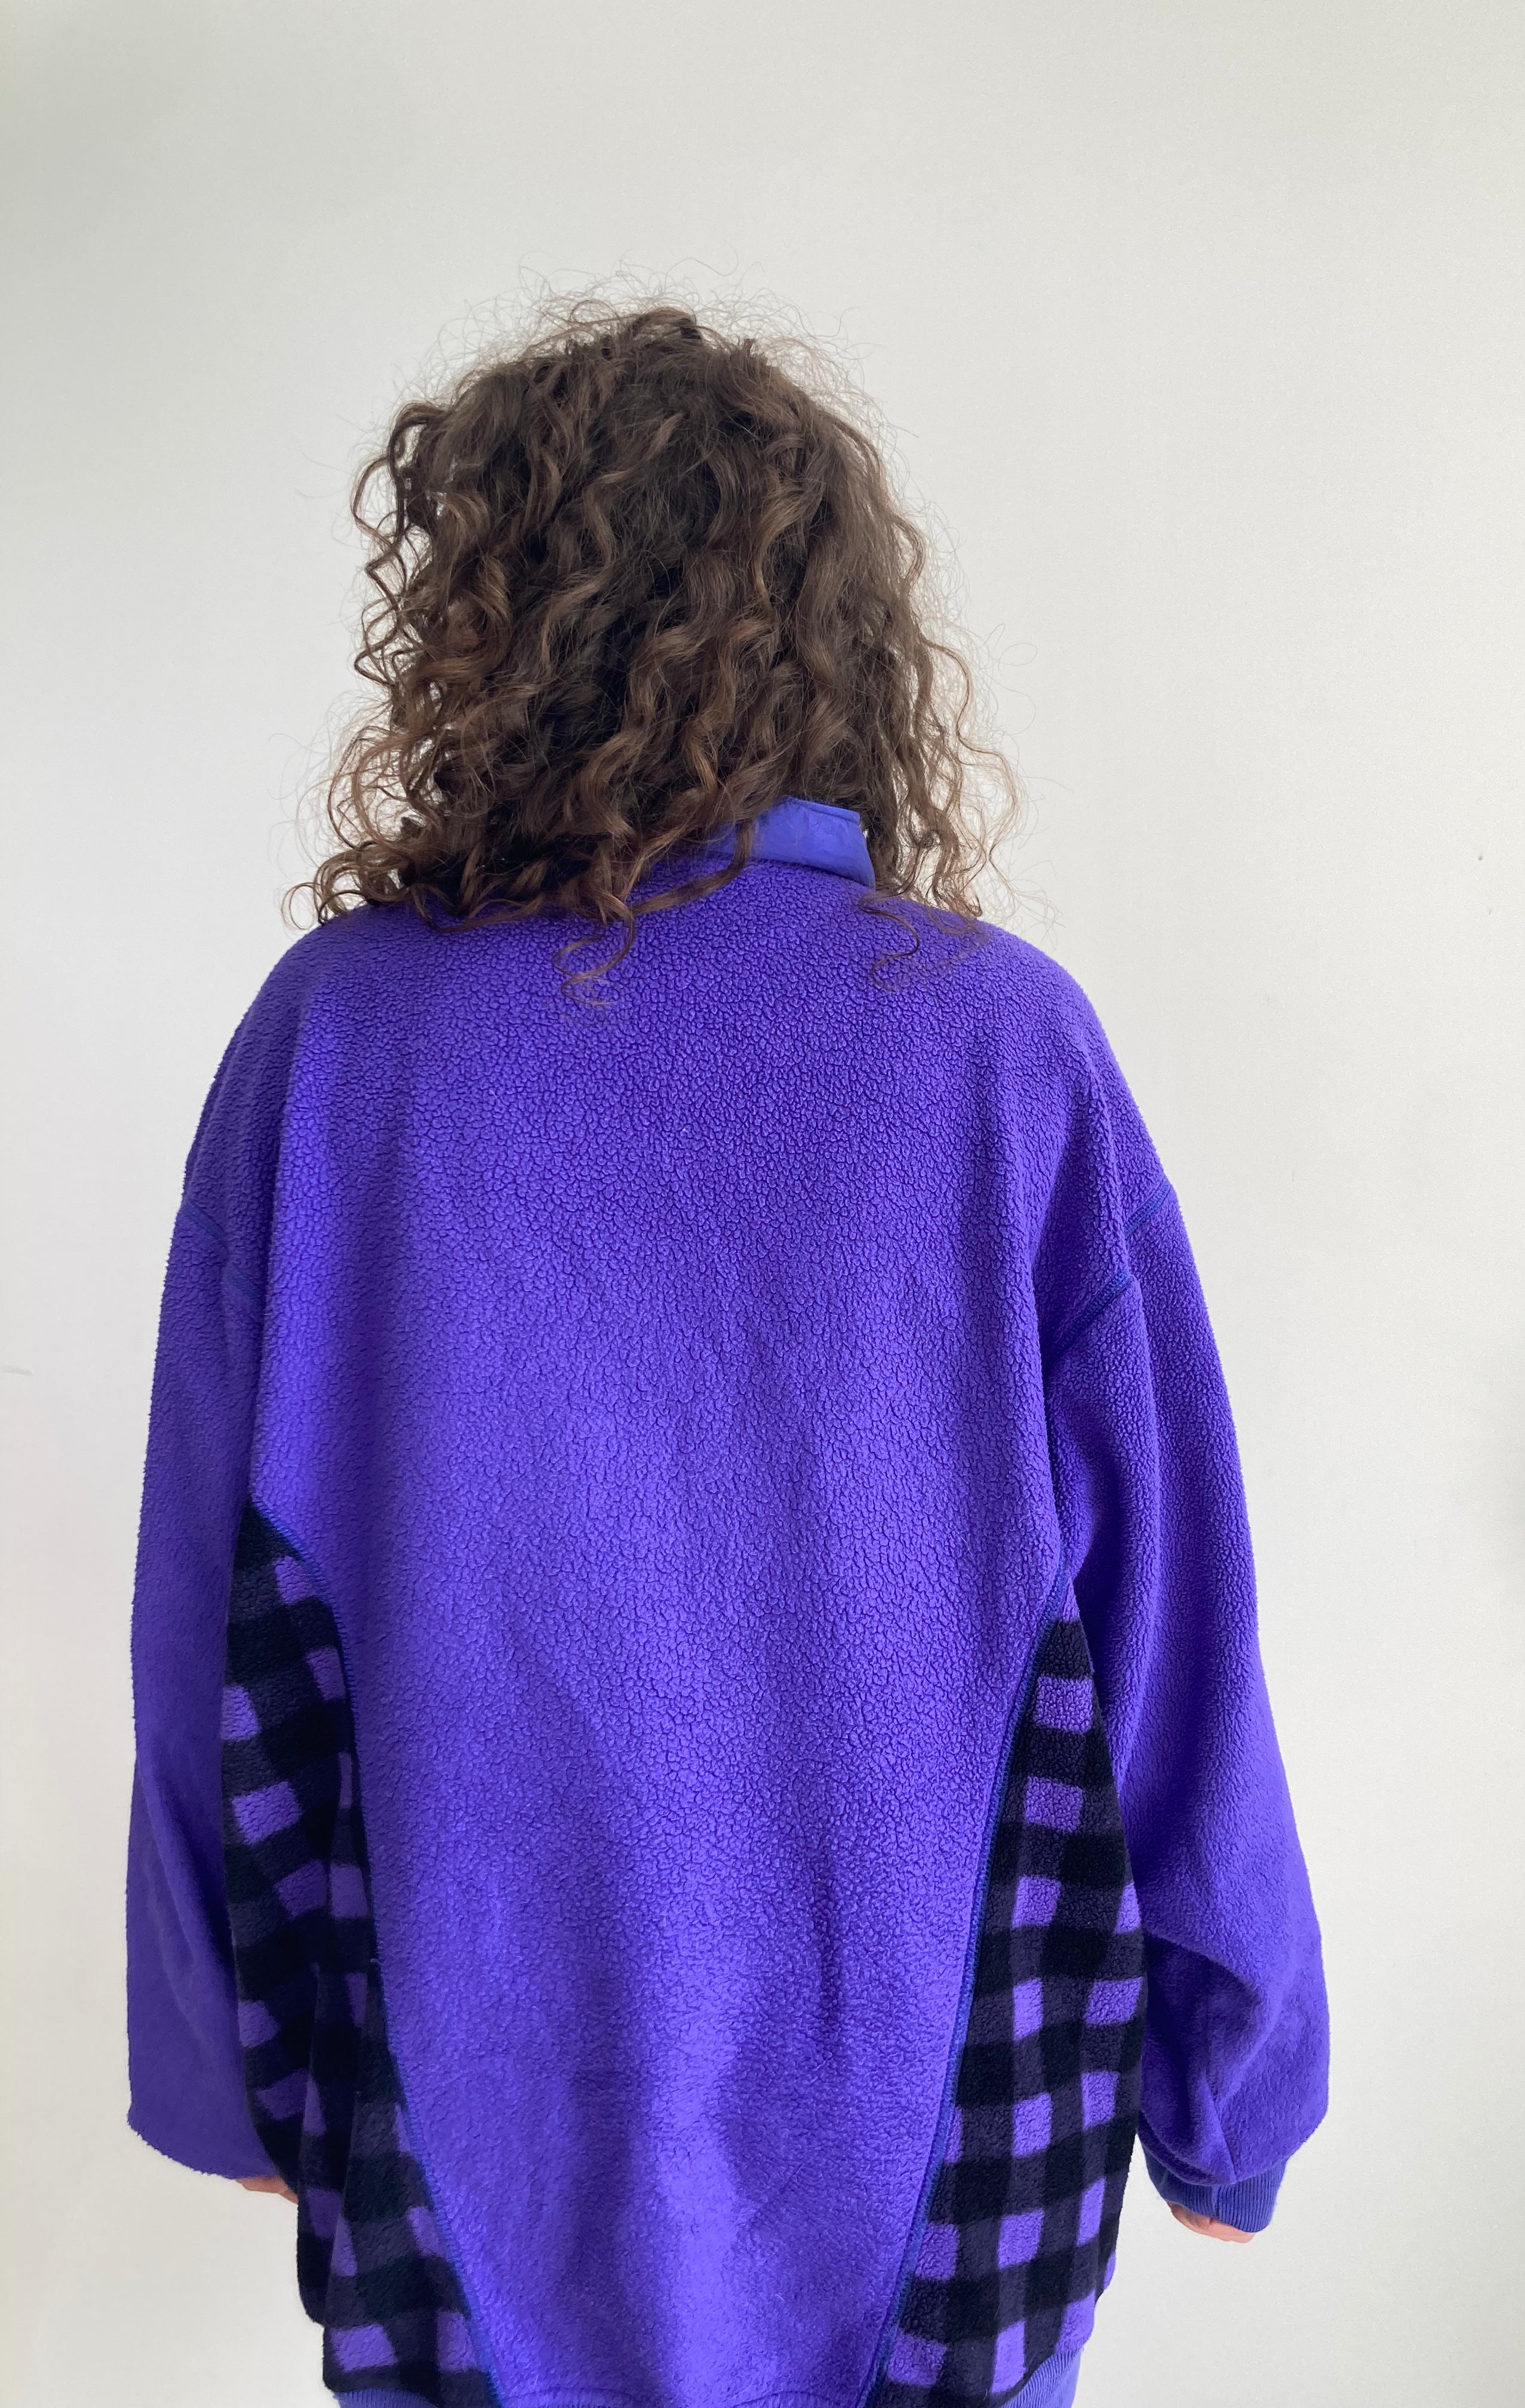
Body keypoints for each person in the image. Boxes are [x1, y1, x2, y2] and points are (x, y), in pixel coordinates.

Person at [125, 297, 1330, 2408]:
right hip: (954, 2110)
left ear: (485, 634)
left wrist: (224, 2047)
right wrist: (1233, 2072)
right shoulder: (990, 1047)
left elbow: (211, 1616)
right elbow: (1175, 1610)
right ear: (843, 651)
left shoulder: (336, 1050)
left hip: (448, 2091)